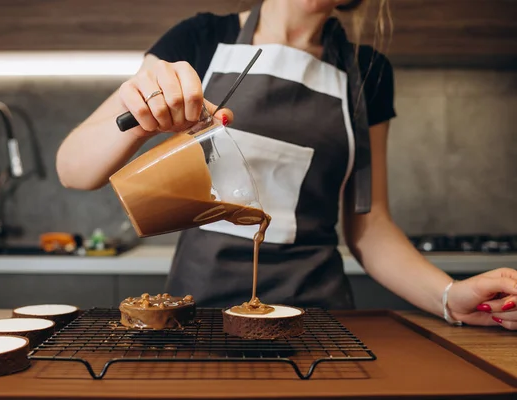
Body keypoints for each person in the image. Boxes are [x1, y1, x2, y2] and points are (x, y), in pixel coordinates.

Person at [56, 0, 517, 330]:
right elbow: (73, 169)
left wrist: (448, 298)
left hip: (315, 324)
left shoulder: (368, 71)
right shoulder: (198, 38)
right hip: (194, 318)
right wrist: (140, 117)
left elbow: (369, 227)